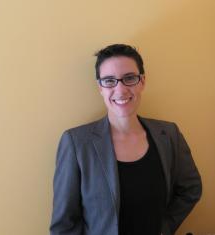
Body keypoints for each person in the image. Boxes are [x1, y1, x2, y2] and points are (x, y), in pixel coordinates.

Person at [50, 44, 202, 235]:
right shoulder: (77, 143)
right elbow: (64, 224)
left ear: (142, 81)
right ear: (100, 87)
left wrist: (166, 226)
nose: (120, 90)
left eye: (129, 78)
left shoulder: (168, 135)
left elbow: (190, 188)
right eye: (109, 81)